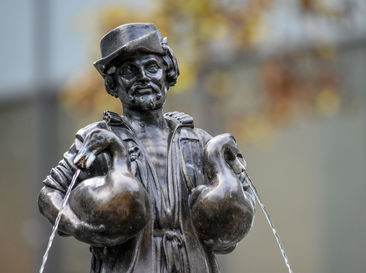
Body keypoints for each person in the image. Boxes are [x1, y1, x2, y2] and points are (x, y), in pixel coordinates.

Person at [38, 23, 256, 273]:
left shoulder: (199, 141)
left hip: (193, 264)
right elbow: (50, 194)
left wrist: (229, 222)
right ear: (112, 84)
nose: (143, 77)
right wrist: (76, 226)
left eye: (152, 68)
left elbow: (245, 197)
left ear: (167, 73)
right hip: (130, 265)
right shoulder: (98, 140)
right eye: (129, 71)